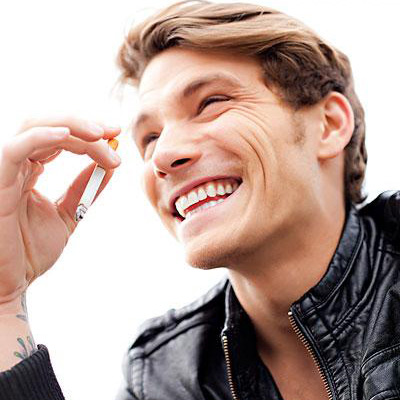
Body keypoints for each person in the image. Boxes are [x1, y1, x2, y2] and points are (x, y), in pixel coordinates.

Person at [0, 1, 398, 399]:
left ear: (329, 125)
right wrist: (5, 302)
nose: (162, 155)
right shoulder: (162, 376)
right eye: (150, 138)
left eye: (211, 103)